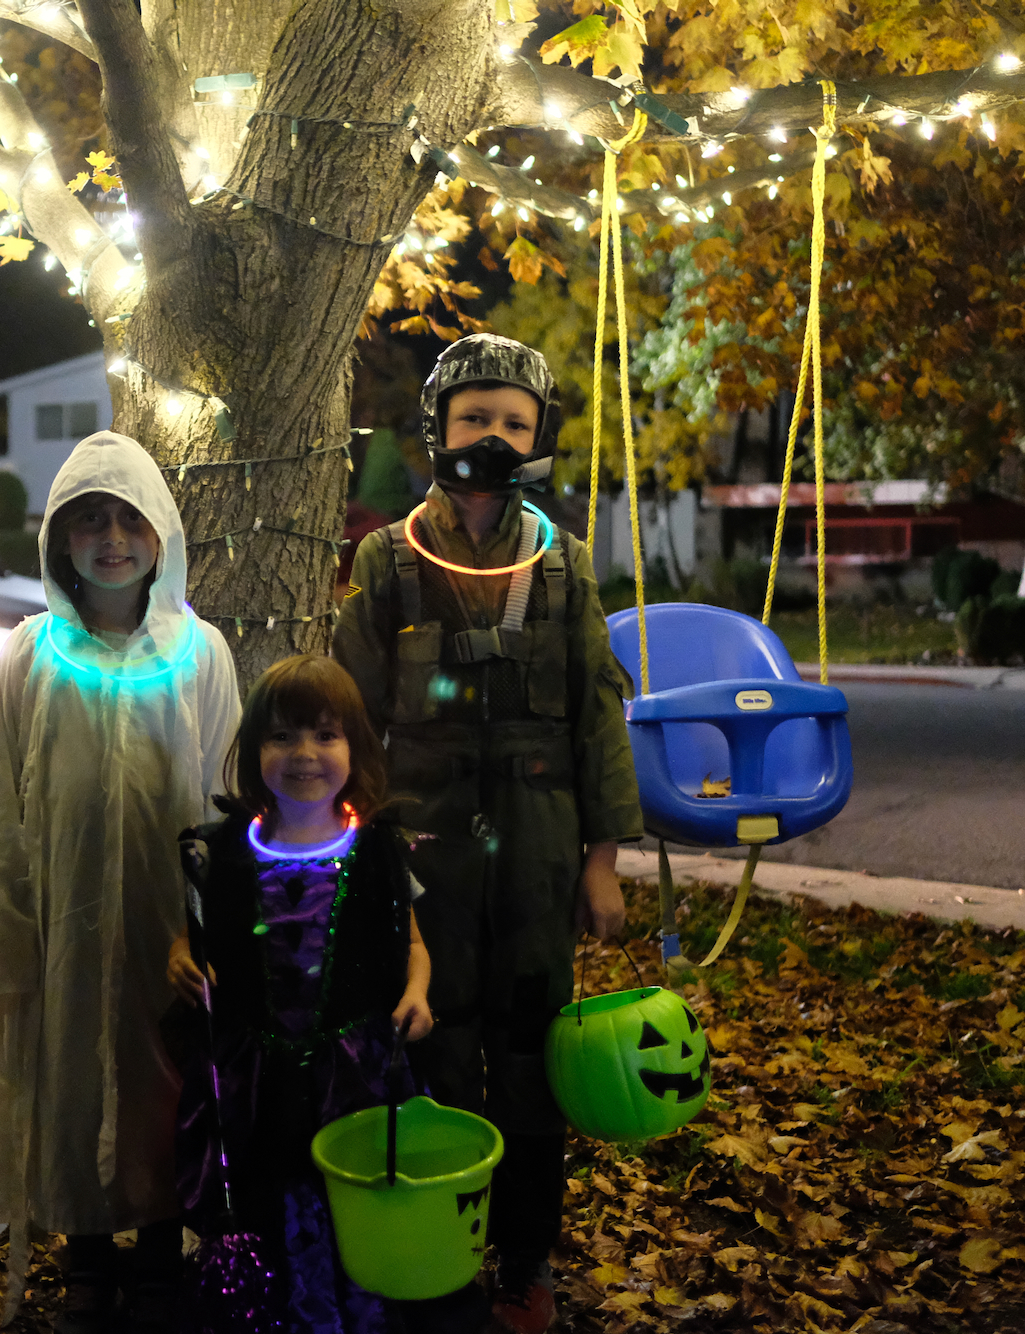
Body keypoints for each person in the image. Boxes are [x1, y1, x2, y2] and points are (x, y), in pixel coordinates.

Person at [332, 333, 643, 1334]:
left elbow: (598, 707)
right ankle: (435, 1249)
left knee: (527, 1047)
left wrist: (601, 859)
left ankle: (523, 1255)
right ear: (437, 428)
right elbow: (344, 713)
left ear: (537, 435)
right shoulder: (385, 560)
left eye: (513, 421)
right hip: (421, 840)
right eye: (475, 418)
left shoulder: (563, 560)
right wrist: (349, 846)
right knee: (428, 1039)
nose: (493, 437)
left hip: (541, 838)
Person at [0, 431, 242, 1333]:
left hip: (169, 927)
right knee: (72, 1078)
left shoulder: (200, 654)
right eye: (90, 521)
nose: (112, 539)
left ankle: (160, 1249)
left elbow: (229, 795)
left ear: (160, 534)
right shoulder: (30, 659)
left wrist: (214, 933)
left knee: (165, 1082)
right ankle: (86, 1252)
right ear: (60, 541)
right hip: (65, 926)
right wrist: (8, 940)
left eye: (129, 519)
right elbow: (0, 813)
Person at [166, 654, 433, 1333]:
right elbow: (190, 934)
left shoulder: (376, 852)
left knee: (342, 1192)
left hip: (352, 1072)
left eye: (325, 734)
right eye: (282, 736)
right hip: (253, 1072)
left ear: (356, 747)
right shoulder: (220, 851)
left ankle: (352, 1311)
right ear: (254, 747)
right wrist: (179, 958)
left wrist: (418, 993)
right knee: (264, 1191)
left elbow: (413, 943)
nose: (304, 754)